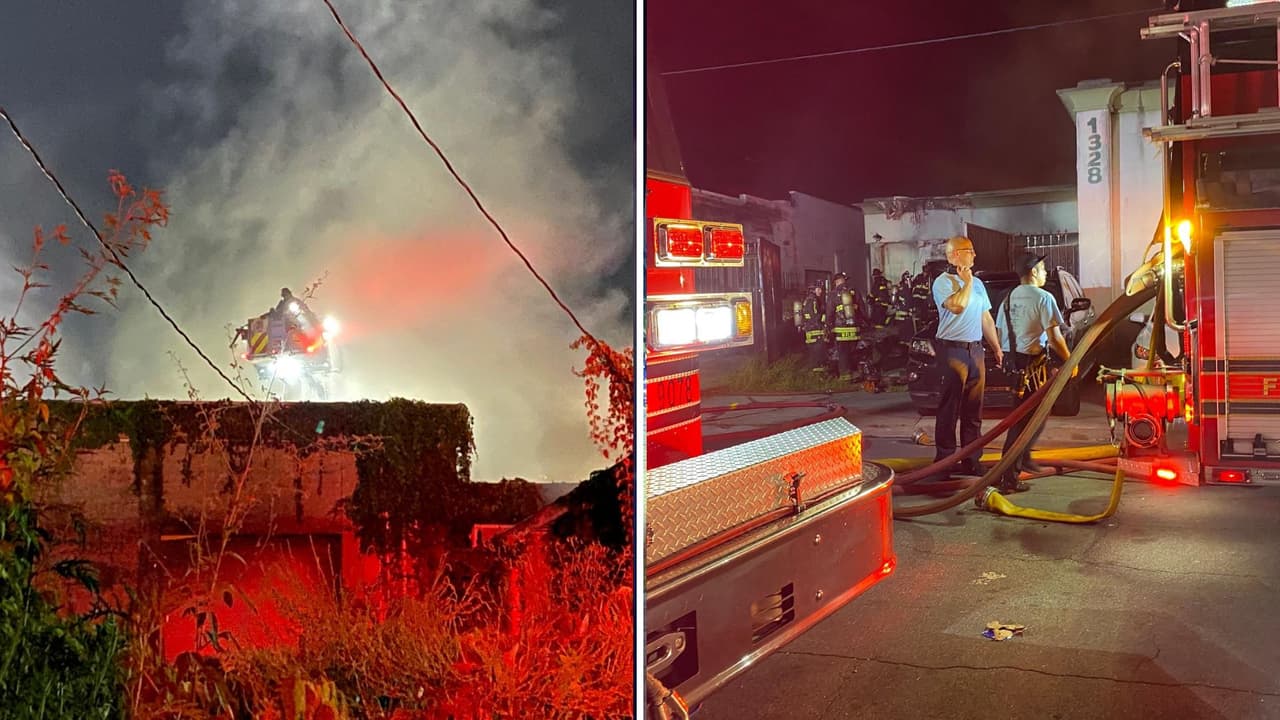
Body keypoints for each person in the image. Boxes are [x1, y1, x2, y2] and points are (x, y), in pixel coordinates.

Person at [994, 253, 1074, 494]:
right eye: (1042, 269)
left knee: (1032, 415)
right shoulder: (1044, 298)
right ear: (1033, 273)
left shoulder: (1007, 298)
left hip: (1013, 363)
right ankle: (1008, 476)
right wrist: (1071, 361)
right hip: (1032, 364)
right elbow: (1055, 337)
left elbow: (999, 334)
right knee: (1022, 422)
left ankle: (1023, 456)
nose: (1046, 273)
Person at [931, 236, 1003, 478]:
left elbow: (986, 318)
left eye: (973, 250)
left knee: (974, 410)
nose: (974, 255)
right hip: (952, 351)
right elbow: (957, 306)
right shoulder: (943, 282)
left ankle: (972, 460)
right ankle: (945, 462)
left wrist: (996, 347)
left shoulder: (979, 284)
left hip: (975, 350)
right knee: (949, 408)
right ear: (953, 256)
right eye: (968, 251)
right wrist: (967, 283)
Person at [800, 283, 827, 372]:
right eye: (818, 289)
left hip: (809, 330)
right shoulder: (814, 300)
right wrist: (824, 318)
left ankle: (813, 372)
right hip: (816, 331)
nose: (821, 291)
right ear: (813, 290)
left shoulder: (807, 300)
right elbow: (815, 315)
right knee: (818, 353)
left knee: (813, 353)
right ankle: (818, 374)